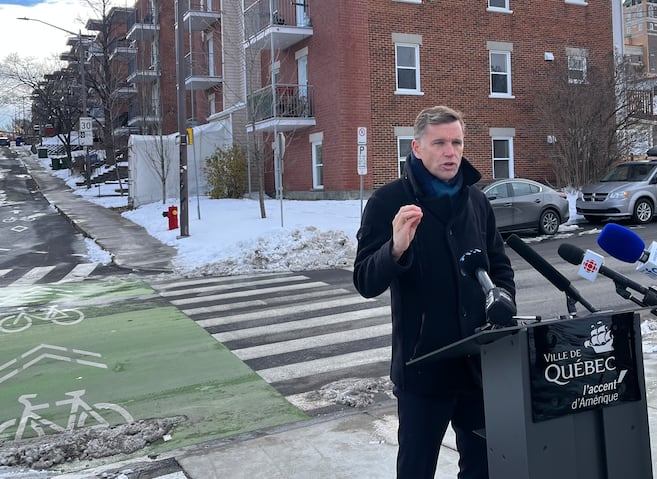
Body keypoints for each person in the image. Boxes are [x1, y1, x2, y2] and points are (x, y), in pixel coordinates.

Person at [353, 105, 516, 479]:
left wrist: (503, 297)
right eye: (439, 143)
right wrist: (395, 249)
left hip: (478, 366)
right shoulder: (387, 202)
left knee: (484, 468)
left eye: (457, 142)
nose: (450, 152)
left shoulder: (476, 201)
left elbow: (499, 264)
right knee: (416, 469)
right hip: (422, 370)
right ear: (416, 147)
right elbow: (365, 281)